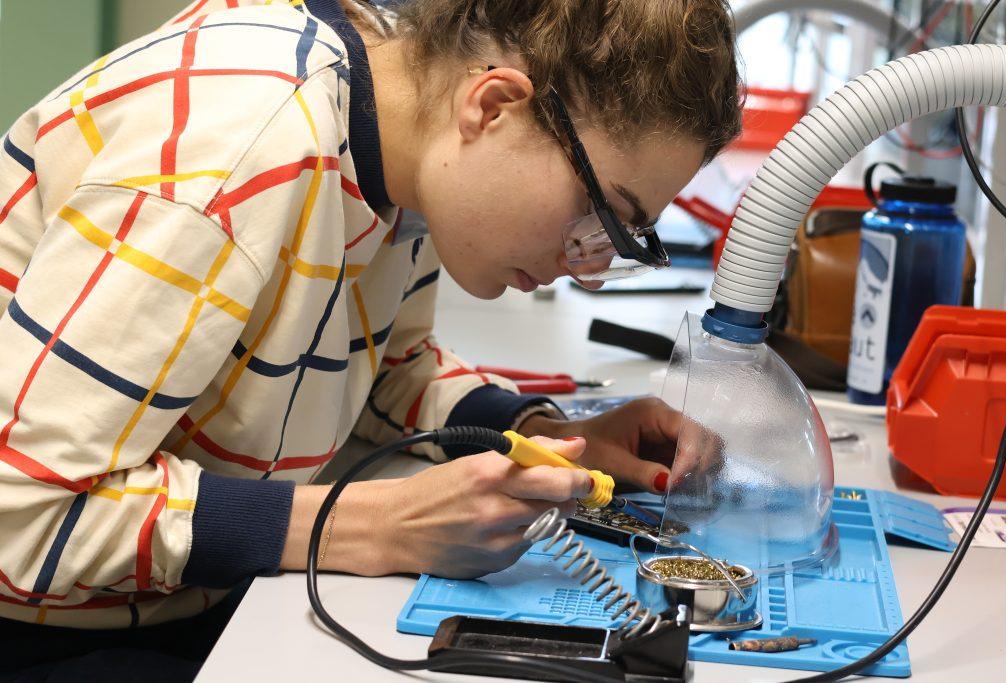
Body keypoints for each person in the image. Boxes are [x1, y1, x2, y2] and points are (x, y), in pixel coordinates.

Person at [0, 0, 740, 677]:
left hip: (163, 593)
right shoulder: (235, 159)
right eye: (597, 214)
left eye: (625, 238)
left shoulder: (399, 144)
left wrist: (538, 431)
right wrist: (368, 525)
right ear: (495, 107)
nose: (587, 265)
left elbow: (382, 372)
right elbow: (21, 515)